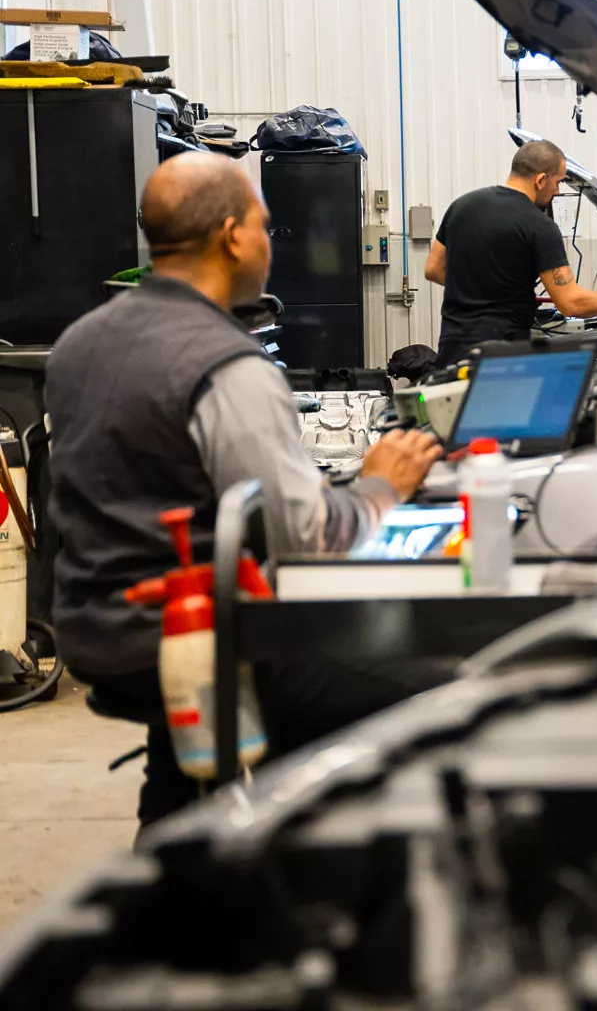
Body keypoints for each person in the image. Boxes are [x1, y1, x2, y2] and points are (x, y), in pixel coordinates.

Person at [44, 153, 442, 827]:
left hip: (96, 628)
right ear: (233, 236)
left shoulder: (79, 343)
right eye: (264, 225)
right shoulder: (226, 363)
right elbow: (309, 538)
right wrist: (382, 483)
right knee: (448, 683)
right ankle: (314, 850)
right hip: (195, 634)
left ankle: (180, 858)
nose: (268, 242)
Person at [424, 139, 597, 366]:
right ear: (541, 179)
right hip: (500, 358)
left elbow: (433, 269)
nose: (557, 191)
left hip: (453, 348)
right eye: (558, 182)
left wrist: (480, 288)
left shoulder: (462, 205)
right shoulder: (539, 225)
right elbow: (571, 303)